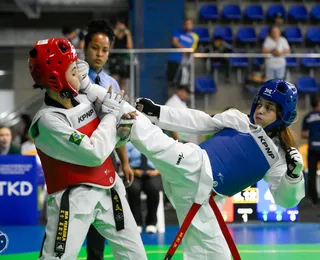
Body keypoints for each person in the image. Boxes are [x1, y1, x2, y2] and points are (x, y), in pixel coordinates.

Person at [98, 78, 305, 259]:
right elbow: (199, 120)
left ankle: (125, 120)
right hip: (196, 166)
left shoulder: (278, 159)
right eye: (259, 104)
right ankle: (105, 100)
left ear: (282, 115)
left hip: (202, 200)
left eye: (268, 108)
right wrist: (158, 112)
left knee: (216, 255)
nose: (260, 110)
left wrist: (293, 176)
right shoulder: (239, 120)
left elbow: (285, 200)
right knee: (158, 143)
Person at [28, 38, 147, 260]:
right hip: (73, 201)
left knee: (136, 256)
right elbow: (94, 154)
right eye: (74, 71)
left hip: (111, 191)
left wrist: (122, 131)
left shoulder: (84, 99)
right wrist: (111, 115)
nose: (81, 76)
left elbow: (108, 141)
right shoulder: (48, 121)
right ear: (55, 80)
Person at [83, 19, 135, 260]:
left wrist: (124, 162)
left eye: (105, 50)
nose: (100, 54)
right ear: (85, 47)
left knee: (102, 215)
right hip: (79, 154)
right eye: (95, 48)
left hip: (106, 158)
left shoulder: (112, 84)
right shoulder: (73, 81)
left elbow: (119, 126)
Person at [126, 142, 162, 234]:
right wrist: (133, 171)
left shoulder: (157, 143)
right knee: (133, 189)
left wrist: (157, 171)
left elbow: (164, 161)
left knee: (154, 189)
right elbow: (124, 162)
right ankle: (136, 223)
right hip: (134, 172)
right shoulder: (129, 144)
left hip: (153, 172)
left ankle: (151, 223)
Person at [167, 18, 198, 89]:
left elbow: (192, 49)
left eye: (190, 24)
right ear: (184, 25)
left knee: (182, 83)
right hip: (174, 60)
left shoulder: (192, 38)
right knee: (171, 82)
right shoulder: (177, 32)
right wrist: (185, 49)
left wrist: (188, 52)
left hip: (184, 62)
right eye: (186, 24)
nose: (188, 26)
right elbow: (175, 42)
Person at [301, 95, 320, 205]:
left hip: (313, 148)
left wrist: (312, 135)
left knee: (312, 174)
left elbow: (303, 134)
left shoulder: (308, 117)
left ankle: (314, 199)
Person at [108, 19, 133, 91]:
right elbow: (110, 47)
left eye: (121, 26)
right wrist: (113, 35)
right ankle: (113, 93)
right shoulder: (113, 35)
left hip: (124, 59)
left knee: (123, 80)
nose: (120, 28)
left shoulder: (126, 35)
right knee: (114, 78)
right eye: (118, 26)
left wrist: (128, 35)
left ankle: (122, 96)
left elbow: (130, 47)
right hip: (114, 58)